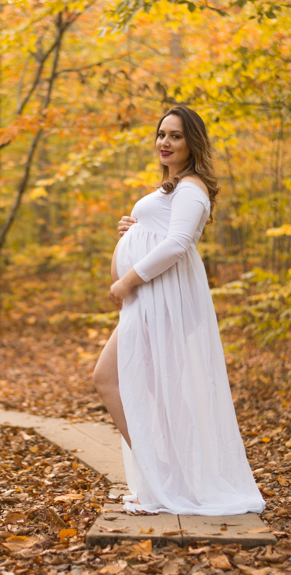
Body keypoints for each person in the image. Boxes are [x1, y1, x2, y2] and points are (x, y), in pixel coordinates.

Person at [92, 106, 266, 516]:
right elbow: (160, 234)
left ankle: (170, 477)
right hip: (151, 301)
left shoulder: (191, 188)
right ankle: (166, 475)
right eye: (161, 134)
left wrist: (127, 278)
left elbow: (178, 244)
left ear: (192, 144)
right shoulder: (172, 189)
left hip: (161, 300)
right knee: (148, 387)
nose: (164, 142)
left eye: (175, 136)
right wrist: (133, 230)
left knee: (115, 379)